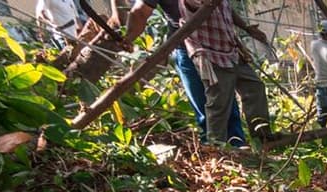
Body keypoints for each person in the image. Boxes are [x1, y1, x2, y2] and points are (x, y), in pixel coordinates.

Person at [111, 0, 247, 146]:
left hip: (218, 45)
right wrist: (129, 37)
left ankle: (236, 148)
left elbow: (223, 6)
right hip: (188, 47)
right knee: (206, 107)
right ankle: (216, 151)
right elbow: (141, 12)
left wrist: (245, 27)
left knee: (225, 104)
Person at [178, 0, 273, 144]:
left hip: (231, 50)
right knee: (219, 103)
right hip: (211, 54)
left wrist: (247, 27)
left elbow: (228, 10)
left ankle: (262, 136)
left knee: (255, 87)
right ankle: (217, 147)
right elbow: (195, 4)